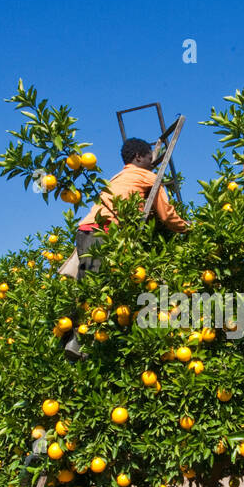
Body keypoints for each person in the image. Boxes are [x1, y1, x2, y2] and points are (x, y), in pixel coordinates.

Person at [65, 138, 190, 359]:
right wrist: (188, 229)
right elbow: (167, 215)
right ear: (138, 157)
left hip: (85, 231)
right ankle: (82, 343)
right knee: (100, 291)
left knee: (87, 288)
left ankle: (72, 338)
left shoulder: (118, 177)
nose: (153, 163)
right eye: (150, 158)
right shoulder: (148, 176)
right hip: (103, 233)